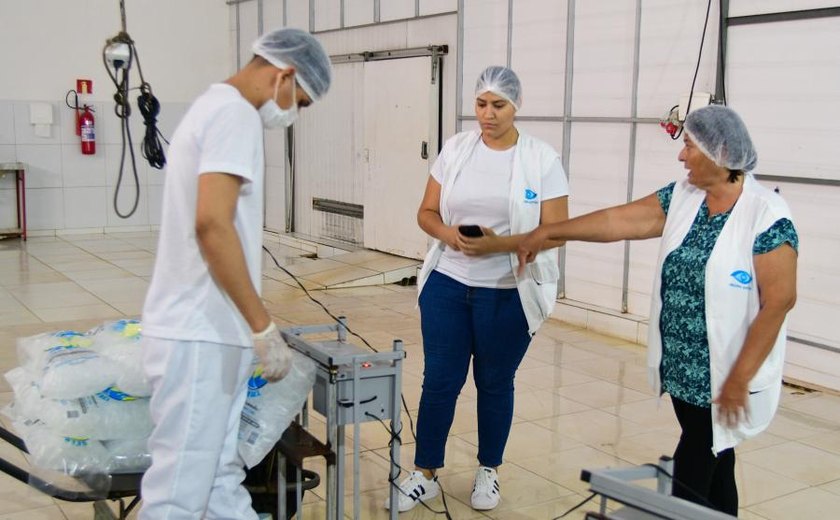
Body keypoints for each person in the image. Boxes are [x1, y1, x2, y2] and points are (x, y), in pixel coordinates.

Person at [517, 105, 798, 515]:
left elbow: (780, 300)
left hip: (724, 375)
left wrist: (740, 376)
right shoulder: (684, 196)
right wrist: (550, 231)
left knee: (692, 475)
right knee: (717, 467)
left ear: (720, 153)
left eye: (690, 146)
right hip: (683, 370)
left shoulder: (766, 215)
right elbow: (616, 221)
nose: (682, 155)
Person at [138, 28, 331, 520]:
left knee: (218, 478)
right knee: (178, 495)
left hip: (211, 332)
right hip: (198, 334)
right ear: (285, 74)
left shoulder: (214, 106)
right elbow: (212, 225)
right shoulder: (235, 114)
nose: (292, 114)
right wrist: (262, 326)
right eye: (300, 102)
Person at [386, 66, 570, 513]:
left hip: (507, 292)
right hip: (448, 285)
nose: (488, 114)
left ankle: (489, 469)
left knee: (494, 382)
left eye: (498, 105)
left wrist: (499, 245)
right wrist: (448, 235)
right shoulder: (456, 149)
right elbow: (426, 212)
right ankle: (425, 472)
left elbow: (558, 231)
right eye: (481, 104)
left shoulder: (541, 159)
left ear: (516, 106)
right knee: (440, 380)